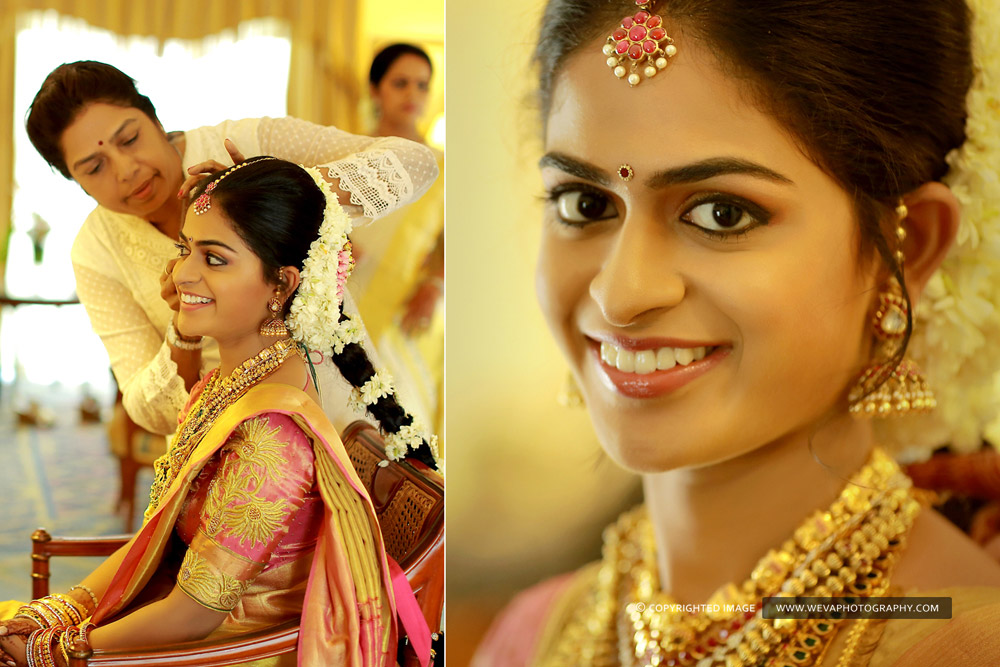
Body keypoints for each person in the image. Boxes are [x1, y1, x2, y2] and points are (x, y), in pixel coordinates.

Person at [474, 0, 1000, 664]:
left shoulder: (964, 644)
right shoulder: (528, 638)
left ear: (910, 249)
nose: (621, 292)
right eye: (585, 202)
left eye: (722, 213)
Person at [0, 156, 439, 666]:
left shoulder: (271, 436)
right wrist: (55, 613)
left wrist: (54, 649)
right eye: (187, 248)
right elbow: (156, 541)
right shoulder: (224, 384)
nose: (181, 273)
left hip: (219, 652)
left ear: (282, 285)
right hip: (174, 622)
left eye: (215, 259)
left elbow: (194, 614)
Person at [24, 60, 439, 436]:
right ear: (74, 180)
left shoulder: (250, 140)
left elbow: (417, 162)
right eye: (95, 168)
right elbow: (148, 411)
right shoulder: (96, 250)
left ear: (154, 118)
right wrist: (184, 332)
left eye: (130, 139)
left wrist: (271, 193)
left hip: (334, 410)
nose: (127, 169)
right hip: (222, 452)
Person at [349, 43, 444, 431]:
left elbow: (448, 238)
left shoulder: (442, 166)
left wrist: (436, 285)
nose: (413, 95)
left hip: (406, 306)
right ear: (376, 89)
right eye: (400, 83)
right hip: (344, 291)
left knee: (404, 424)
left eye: (422, 85)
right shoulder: (347, 152)